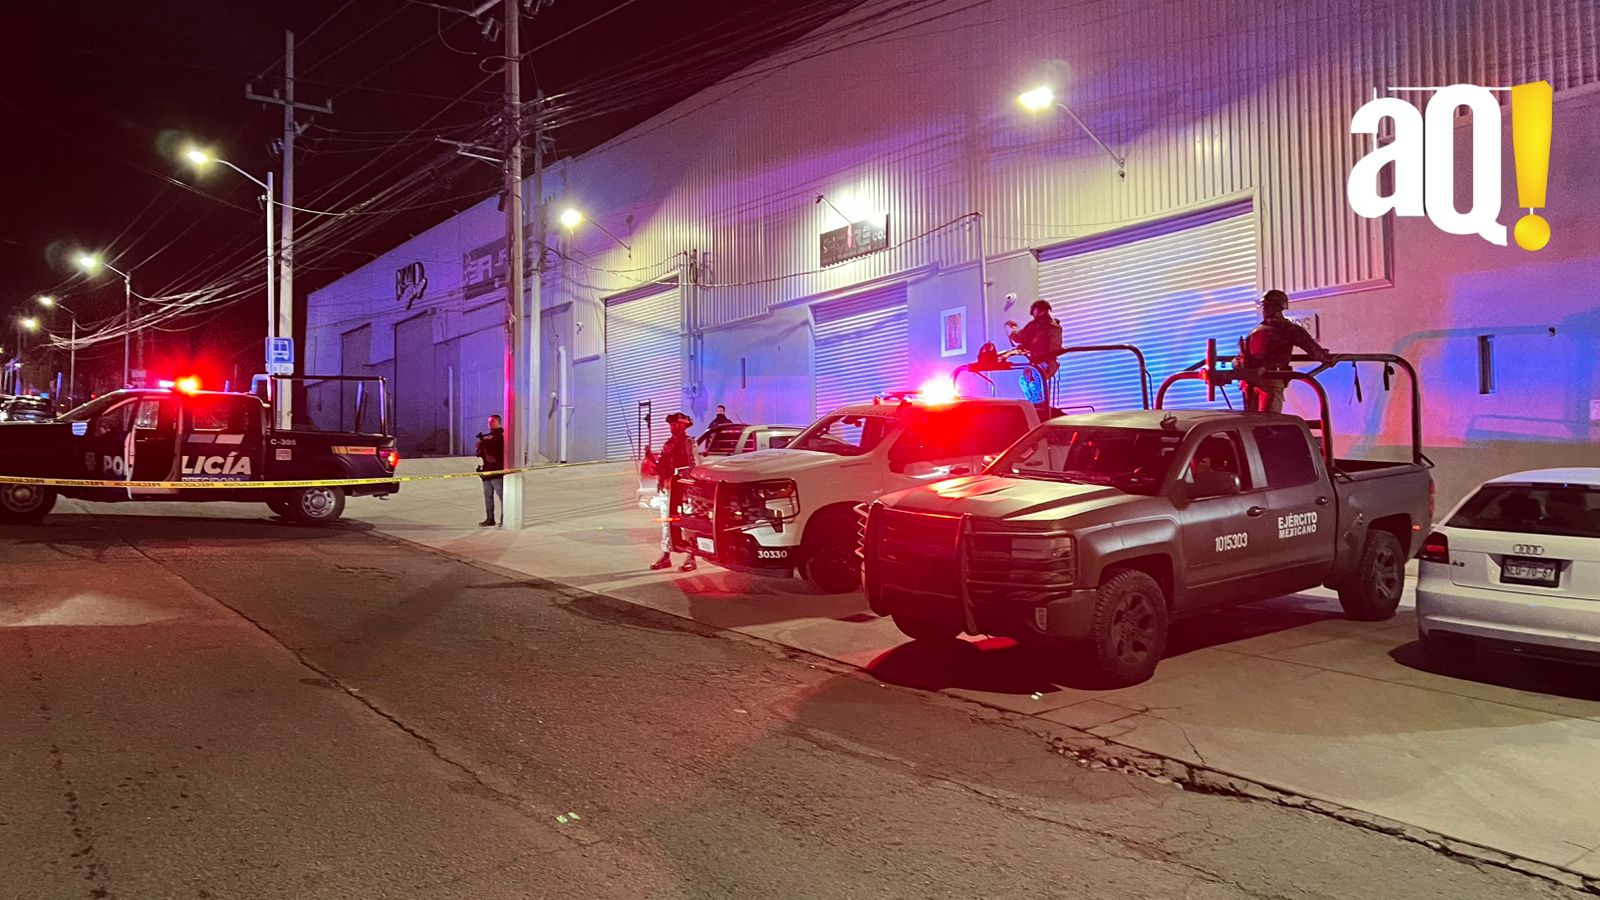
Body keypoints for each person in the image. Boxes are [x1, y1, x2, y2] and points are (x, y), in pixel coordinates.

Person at [1237, 289, 1332, 413]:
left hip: (1269, 381)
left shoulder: (1288, 330)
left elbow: (1312, 348)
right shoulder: (1257, 331)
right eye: (1263, 305)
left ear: (1278, 307)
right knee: (1258, 421)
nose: (1264, 309)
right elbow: (1242, 356)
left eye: (1267, 305)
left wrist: (1325, 357)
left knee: (1266, 421)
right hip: (1253, 382)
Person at [650, 412, 699, 572]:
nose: (672, 427)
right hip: (667, 491)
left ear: (684, 425)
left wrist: (675, 477)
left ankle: (691, 557)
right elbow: (663, 464)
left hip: (684, 491)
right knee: (667, 523)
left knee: (687, 524)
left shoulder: (689, 442)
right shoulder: (668, 444)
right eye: (671, 424)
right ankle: (665, 556)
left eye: (676, 424)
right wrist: (656, 470)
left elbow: (693, 466)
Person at [475, 415, 505, 527]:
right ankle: (490, 519)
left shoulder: (500, 436)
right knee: (487, 496)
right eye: (489, 422)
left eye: (493, 422)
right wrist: (481, 445)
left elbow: (497, 450)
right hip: (487, 470)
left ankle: (504, 519)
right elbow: (479, 453)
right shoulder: (488, 437)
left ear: (499, 422)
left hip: (496, 471)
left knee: (502, 496)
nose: (490, 424)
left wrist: (485, 443)